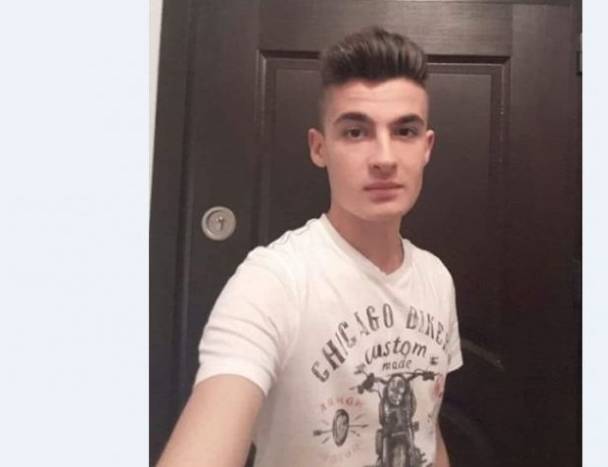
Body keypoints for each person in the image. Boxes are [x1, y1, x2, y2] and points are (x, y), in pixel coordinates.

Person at [158, 27, 463, 467]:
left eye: (404, 131)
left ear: (426, 147)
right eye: (355, 132)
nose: (384, 158)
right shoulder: (274, 280)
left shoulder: (436, 279)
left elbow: (426, 425)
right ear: (319, 148)